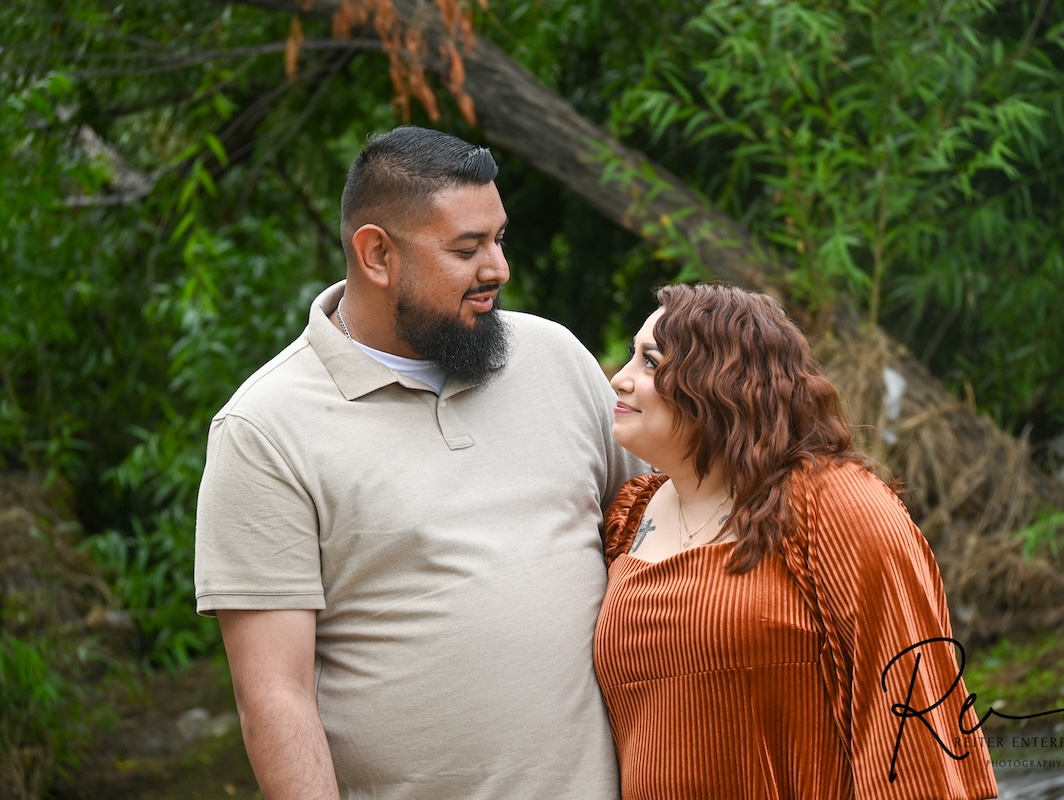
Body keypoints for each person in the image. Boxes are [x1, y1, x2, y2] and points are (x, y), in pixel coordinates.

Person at [194, 125, 644, 800]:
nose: (498, 269)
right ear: (377, 254)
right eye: (467, 249)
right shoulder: (265, 429)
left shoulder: (555, 357)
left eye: (500, 239)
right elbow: (274, 696)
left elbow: (668, 532)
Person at [594, 282, 998, 799]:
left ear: (723, 383)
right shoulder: (629, 518)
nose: (620, 379)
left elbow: (909, 706)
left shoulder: (832, 504)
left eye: (650, 362)